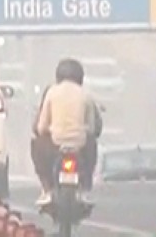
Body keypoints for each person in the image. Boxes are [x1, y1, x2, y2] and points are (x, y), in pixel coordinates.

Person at [32, 57, 102, 207]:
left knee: (37, 144)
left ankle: (47, 189)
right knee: (92, 144)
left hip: (55, 143)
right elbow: (91, 128)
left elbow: (41, 127)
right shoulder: (85, 95)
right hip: (80, 145)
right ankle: (85, 188)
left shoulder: (51, 93)